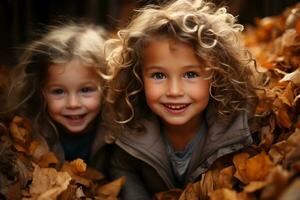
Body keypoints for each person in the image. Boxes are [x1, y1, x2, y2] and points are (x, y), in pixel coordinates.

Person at [105, 0, 258, 199]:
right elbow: (122, 168)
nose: (174, 91)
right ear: (138, 77)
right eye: (159, 75)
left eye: (191, 75)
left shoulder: (237, 131)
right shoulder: (132, 126)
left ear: (218, 75)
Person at [1, 23, 112, 172]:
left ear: (107, 88)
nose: (73, 104)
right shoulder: (31, 127)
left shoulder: (117, 127)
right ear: (40, 91)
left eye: (86, 90)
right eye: (59, 92)